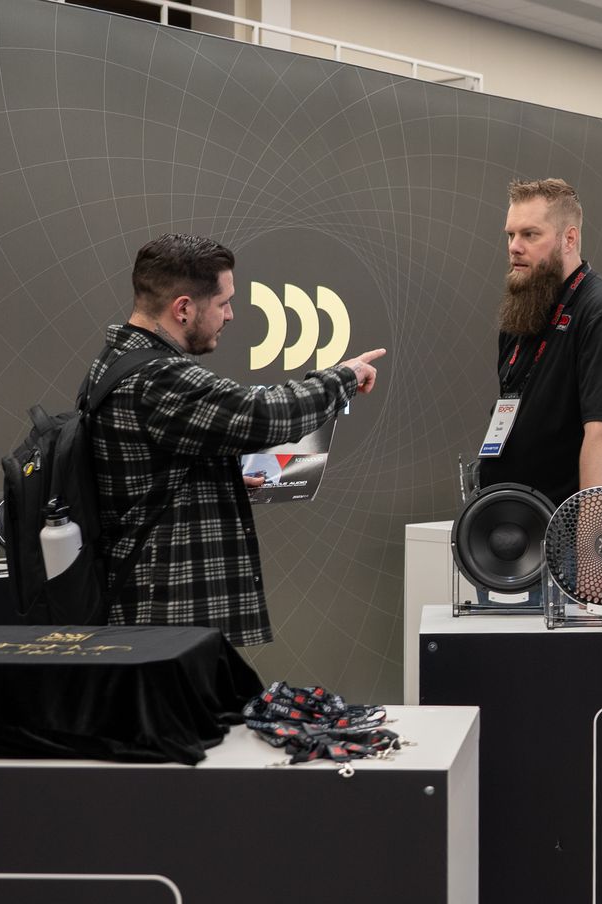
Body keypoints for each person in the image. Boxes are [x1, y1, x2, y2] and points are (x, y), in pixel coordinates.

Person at [87, 233, 384, 646]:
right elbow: (260, 415)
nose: (230, 315)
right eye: (223, 302)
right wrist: (343, 378)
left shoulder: (119, 361)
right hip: (164, 623)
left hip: (156, 619)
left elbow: (158, 472)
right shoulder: (157, 378)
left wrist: (218, 481)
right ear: (184, 308)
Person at [476, 178, 602, 506]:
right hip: (511, 529)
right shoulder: (523, 309)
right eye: (510, 235)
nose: (514, 246)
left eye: (530, 234)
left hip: (564, 537)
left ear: (569, 238)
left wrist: (588, 550)